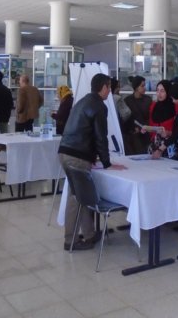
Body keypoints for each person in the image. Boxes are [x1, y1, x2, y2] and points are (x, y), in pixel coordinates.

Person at [58, 73, 127, 250]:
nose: (110, 91)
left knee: (81, 196)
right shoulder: (98, 106)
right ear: (103, 87)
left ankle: (89, 234)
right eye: (109, 87)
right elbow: (100, 136)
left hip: (65, 151)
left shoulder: (82, 101)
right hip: (77, 156)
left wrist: (94, 156)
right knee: (76, 197)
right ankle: (70, 241)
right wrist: (107, 163)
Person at [147, 80, 178, 157]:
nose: (159, 94)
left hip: (170, 146)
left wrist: (169, 133)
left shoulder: (175, 106)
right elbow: (151, 124)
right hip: (154, 145)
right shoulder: (153, 106)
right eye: (157, 90)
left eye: (162, 91)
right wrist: (146, 129)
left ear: (168, 91)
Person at [123, 75, 152, 155]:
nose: (144, 88)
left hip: (146, 132)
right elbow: (125, 119)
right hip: (133, 134)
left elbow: (150, 116)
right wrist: (132, 128)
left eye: (144, 85)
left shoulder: (148, 100)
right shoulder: (127, 100)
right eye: (142, 86)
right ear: (136, 87)